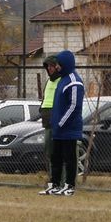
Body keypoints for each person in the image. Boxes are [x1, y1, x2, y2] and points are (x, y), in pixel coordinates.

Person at [45, 50, 84, 197]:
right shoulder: (63, 80)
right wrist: (55, 122)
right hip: (58, 129)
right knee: (56, 157)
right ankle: (54, 185)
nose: (57, 67)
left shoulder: (74, 81)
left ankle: (70, 186)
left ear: (65, 64)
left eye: (59, 64)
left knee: (69, 158)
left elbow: (74, 106)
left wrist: (61, 122)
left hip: (69, 129)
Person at [38, 55, 61, 192]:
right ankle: (52, 178)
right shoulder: (48, 82)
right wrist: (42, 109)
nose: (50, 69)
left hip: (56, 120)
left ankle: (58, 180)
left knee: (56, 151)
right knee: (48, 150)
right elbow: (45, 98)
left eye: (52, 66)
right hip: (47, 121)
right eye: (48, 67)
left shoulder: (61, 81)